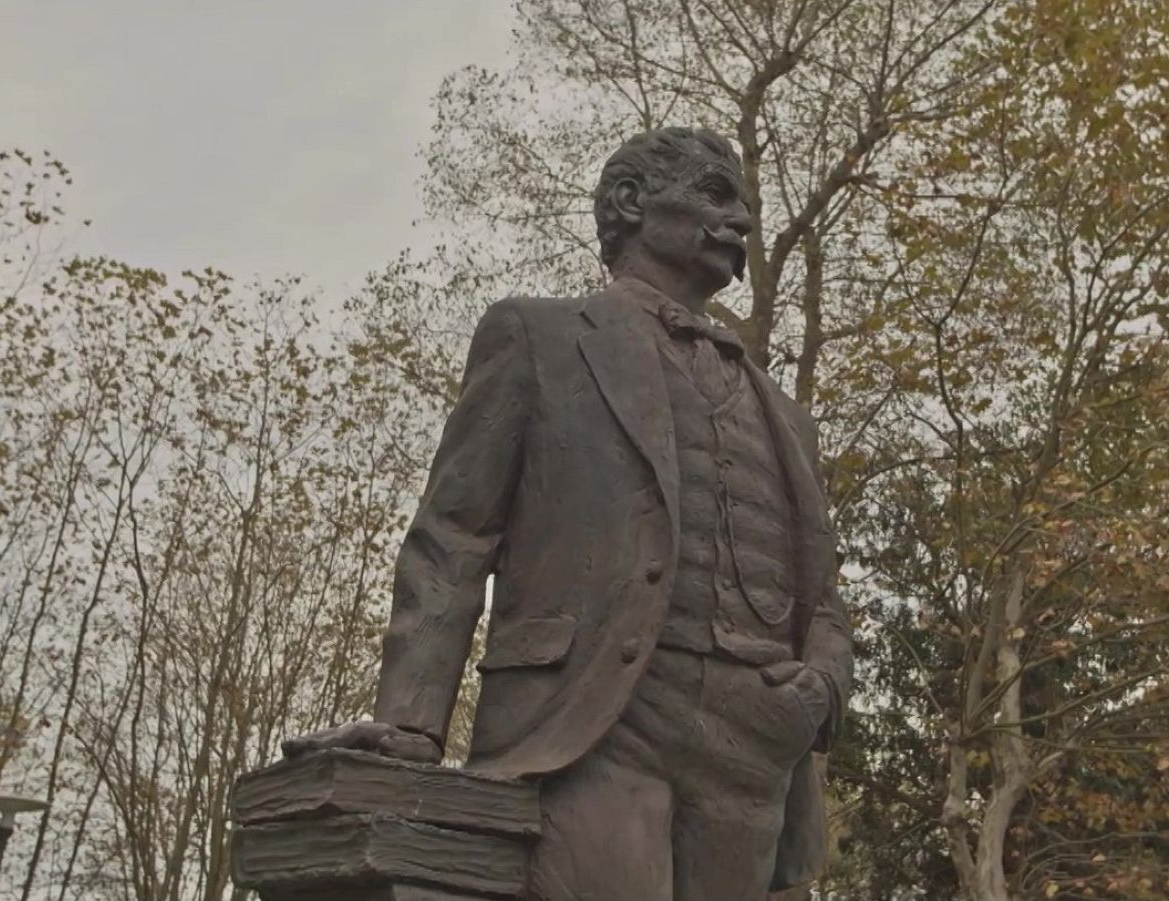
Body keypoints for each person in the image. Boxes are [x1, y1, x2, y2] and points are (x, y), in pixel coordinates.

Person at [285, 126, 852, 901]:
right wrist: (414, 722)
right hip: (594, 726)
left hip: (755, 750)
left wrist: (822, 686)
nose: (744, 221)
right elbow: (454, 533)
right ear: (631, 203)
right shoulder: (537, 338)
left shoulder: (788, 416)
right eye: (717, 195)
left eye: (746, 204)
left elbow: (823, 595)